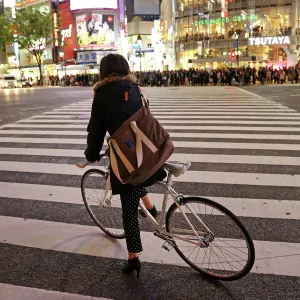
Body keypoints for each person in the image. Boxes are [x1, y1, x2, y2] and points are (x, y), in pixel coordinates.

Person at [76, 54, 166, 278]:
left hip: (127, 155)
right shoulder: (135, 87)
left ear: (103, 72)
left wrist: (92, 155)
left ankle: (133, 257)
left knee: (128, 207)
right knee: (137, 178)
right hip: (149, 151)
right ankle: (151, 207)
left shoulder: (102, 94)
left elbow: (96, 129)